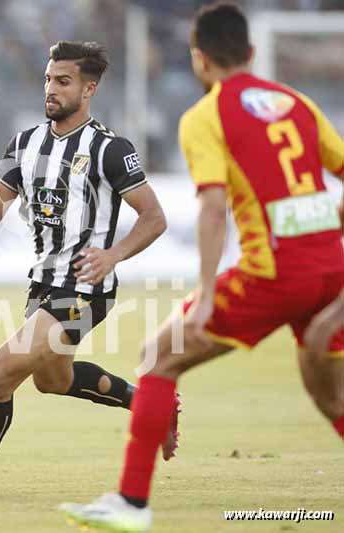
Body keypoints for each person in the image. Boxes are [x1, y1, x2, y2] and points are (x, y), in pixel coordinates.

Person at [59, 3, 344, 531]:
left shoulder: (206, 116)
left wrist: (208, 292)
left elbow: (214, 208)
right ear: (253, 52)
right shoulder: (297, 103)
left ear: (199, 59)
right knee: (326, 390)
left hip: (272, 274)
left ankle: (130, 502)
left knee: (159, 355)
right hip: (331, 270)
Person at [0, 40, 174, 499]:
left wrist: (112, 256)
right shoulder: (26, 143)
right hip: (43, 283)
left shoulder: (110, 149)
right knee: (53, 381)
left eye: (63, 82)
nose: (51, 90)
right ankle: (149, 402)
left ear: (89, 89)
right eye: (48, 80)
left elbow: (155, 219)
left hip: (86, 289)